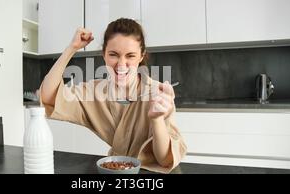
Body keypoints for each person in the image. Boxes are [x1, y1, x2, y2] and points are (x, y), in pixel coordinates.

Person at [39, 18, 186, 173]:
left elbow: (164, 160)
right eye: (114, 55)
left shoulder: (158, 95)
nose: (121, 64)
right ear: (104, 54)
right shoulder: (94, 92)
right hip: (115, 170)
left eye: (130, 56)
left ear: (141, 56)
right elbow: (48, 97)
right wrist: (71, 48)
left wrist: (156, 119)